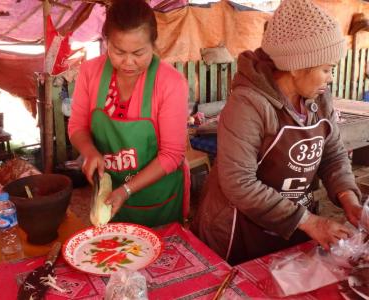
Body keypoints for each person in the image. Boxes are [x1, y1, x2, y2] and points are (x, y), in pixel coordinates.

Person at [192, 0, 365, 265]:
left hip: (292, 226)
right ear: (296, 66)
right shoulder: (249, 104)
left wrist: (348, 199)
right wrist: (310, 222)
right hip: (239, 233)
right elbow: (239, 183)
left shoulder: (319, 99)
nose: (330, 78)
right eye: (326, 70)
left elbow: (332, 154)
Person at [68, 0, 189, 227]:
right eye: (119, 51)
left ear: (153, 44)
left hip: (157, 201)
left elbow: (172, 154)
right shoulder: (89, 72)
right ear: (106, 43)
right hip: (109, 197)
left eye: (138, 52)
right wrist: (89, 151)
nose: (128, 62)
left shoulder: (170, 83)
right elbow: (77, 127)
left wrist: (127, 189)